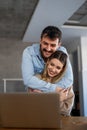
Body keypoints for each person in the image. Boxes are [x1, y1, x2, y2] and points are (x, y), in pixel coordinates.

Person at [22, 25, 73, 93]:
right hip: (35, 96)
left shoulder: (62, 52)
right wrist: (54, 89)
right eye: (45, 43)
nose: (48, 49)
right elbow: (28, 80)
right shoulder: (29, 52)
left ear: (59, 45)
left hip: (53, 97)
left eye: (53, 45)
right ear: (40, 41)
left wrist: (45, 92)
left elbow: (68, 80)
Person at [28, 50, 74, 116]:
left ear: (62, 69)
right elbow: (32, 105)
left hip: (60, 121)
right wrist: (57, 99)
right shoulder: (36, 79)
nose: (53, 70)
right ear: (48, 61)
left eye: (58, 68)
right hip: (39, 118)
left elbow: (66, 112)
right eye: (52, 64)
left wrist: (44, 99)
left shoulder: (66, 85)